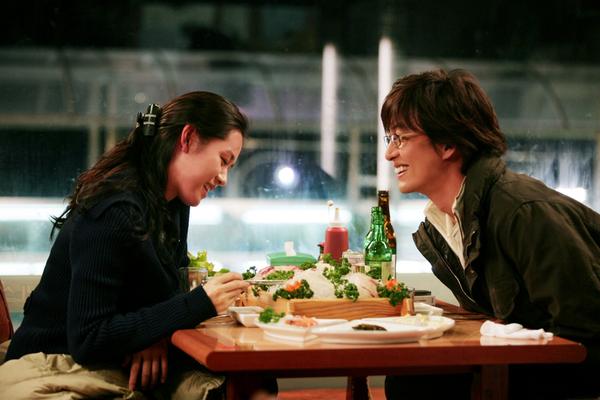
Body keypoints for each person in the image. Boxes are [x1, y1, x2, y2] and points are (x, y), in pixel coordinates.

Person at [0, 91, 269, 399]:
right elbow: (89, 339)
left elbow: (164, 294)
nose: (223, 178)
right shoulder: (115, 209)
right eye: (224, 160)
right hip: (53, 360)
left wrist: (155, 336)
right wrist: (201, 302)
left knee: (252, 380)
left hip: (111, 356)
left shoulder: (173, 203)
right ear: (188, 138)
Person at [381, 69, 600, 399]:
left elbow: (586, 336)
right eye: (390, 139)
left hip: (577, 368)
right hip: (533, 360)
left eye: (401, 138)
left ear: (447, 143)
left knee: (416, 383)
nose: (389, 153)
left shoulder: (522, 211)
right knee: (410, 376)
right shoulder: (443, 224)